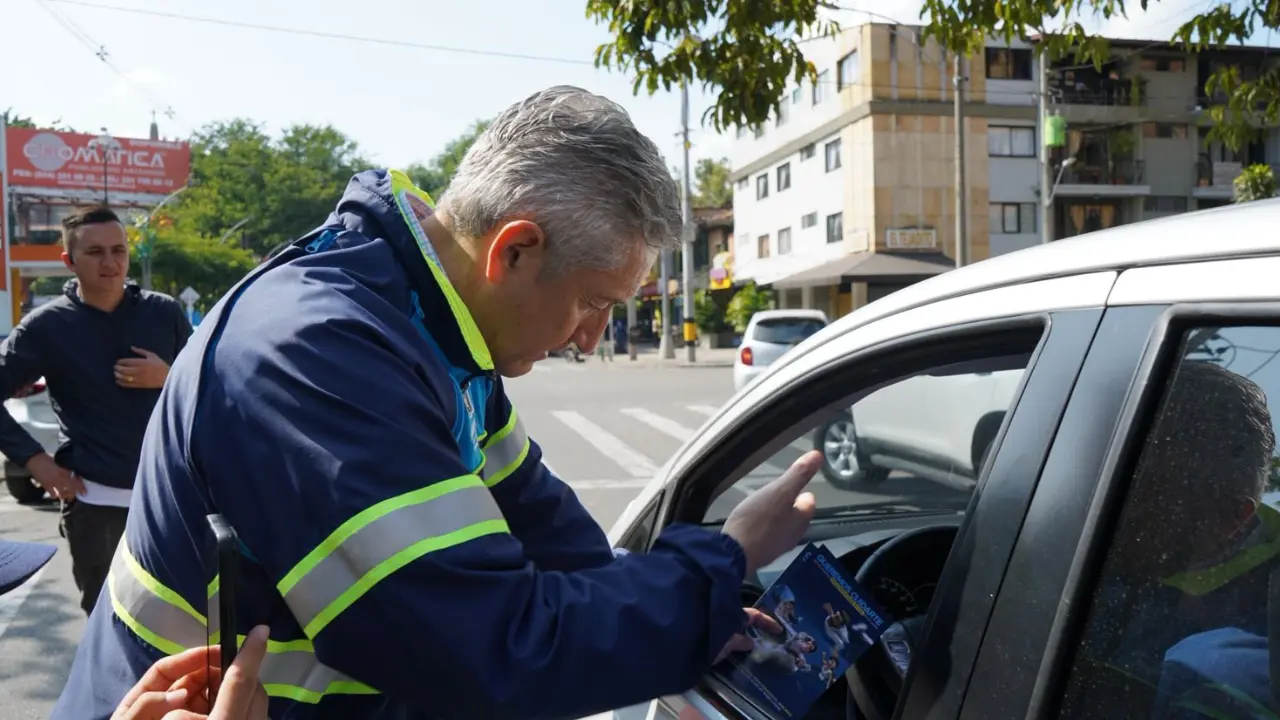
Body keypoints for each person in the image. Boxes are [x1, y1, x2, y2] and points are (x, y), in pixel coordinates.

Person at [53, 85, 820, 720]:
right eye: (593, 303)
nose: (591, 340)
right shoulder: (319, 359)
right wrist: (718, 562)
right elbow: (490, 649)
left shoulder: (438, 334)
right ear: (513, 250)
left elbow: (543, 524)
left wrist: (689, 614)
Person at [0, 205, 192, 616]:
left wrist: (170, 376)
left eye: (118, 250)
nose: (110, 262)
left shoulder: (164, 313)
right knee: (109, 621)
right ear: (69, 261)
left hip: (171, 498)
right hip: (96, 505)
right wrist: (36, 462)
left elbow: (213, 387)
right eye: (95, 252)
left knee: (182, 621)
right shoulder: (45, 328)